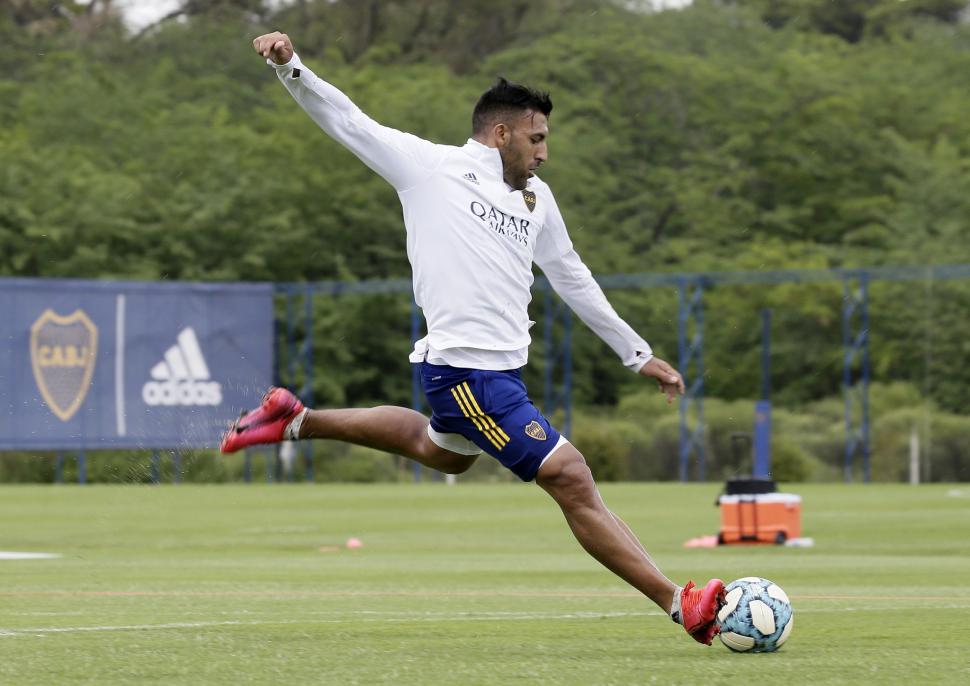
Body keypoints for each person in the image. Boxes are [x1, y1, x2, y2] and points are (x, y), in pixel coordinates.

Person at [223, 31, 725, 645]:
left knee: (442, 452)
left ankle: (296, 419)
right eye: (536, 139)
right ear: (501, 133)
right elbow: (350, 121)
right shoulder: (432, 169)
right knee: (570, 476)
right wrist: (291, 67)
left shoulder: (537, 200)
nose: (544, 153)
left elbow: (571, 275)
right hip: (466, 373)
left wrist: (637, 353)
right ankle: (679, 603)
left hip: (496, 374)